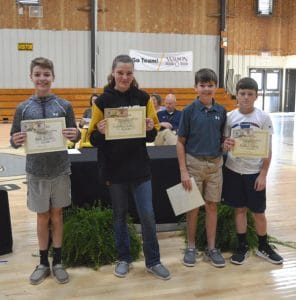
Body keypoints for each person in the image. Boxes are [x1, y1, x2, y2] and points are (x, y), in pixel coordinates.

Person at [87, 54, 171, 280]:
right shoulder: (102, 101)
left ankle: (153, 261)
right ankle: (123, 258)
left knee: (147, 215)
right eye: (120, 72)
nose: (124, 77)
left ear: (133, 75)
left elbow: (152, 134)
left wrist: (149, 127)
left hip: (140, 168)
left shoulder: (144, 98)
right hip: (115, 170)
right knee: (119, 216)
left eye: (129, 73)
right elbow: (91, 138)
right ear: (113, 73)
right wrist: (100, 131)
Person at [10, 57, 80, 285]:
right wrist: (15, 139)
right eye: (38, 74)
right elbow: (14, 140)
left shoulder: (64, 105)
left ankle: (57, 261)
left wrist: (74, 135)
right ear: (31, 77)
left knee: (57, 215)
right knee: (42, 216)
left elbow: (76, 134)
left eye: (46, 75)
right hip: (36, 171)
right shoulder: (23, 108)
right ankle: (42, 263)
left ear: (53, 77)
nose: (42, 79)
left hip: (60, 169)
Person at [222, 77, 283, 265]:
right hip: (233, 170)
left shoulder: (263, 118)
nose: (246, 97)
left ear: (256, 96)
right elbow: (224, 143)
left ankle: (263, 246)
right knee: (239, 210)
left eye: (250, 94)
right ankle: (243, 246)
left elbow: (268, 150)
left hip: (254, 173)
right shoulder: (230, 117)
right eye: (242, 94)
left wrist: (263, 174)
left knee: (258, 212)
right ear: (237, 96)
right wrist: (225, 144)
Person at [176, 68, 227, 268]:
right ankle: (190, 246)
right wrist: (183, 171)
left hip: (215, 164)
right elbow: (180, 142)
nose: (206, 89)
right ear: (195, 87)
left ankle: (212, 248)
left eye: (210, 85)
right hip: (193, 164)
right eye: (202, 85)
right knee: (192, 207)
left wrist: (227, 144)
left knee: (212, 205)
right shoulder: (188, 111)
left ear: (216, 87)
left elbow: (222, 140)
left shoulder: (222, 111)